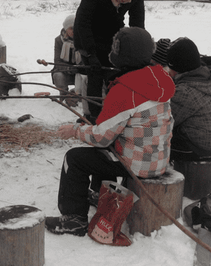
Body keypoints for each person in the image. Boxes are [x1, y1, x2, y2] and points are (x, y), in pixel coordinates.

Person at [46, 27, 175, 236]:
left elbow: (100, 137)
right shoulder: (160, 79)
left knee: (76, 158)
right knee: (107, 151)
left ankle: (74, 218)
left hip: (137, 165)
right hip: (159, 159)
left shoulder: (125, 90)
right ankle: (101, 194)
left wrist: (75, 130)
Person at [73, 0, 146, 122]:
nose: (126, 2)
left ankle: (116, 115)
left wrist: (138, 50)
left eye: (130, 0)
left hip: (112, 33)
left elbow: (137, 23)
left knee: (116, 74)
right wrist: (91, 53)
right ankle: (93, 117)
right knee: (95, 74)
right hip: (88, 34)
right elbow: (83, 21)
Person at [166, 37, 211, 161]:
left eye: (170, 67)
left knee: (153, 141)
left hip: (196, 147)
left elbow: (166, 120)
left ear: (178, 67)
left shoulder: (185, 92)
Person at [52, 14, 87, 109]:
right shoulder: (59, 40)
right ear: (66, 29)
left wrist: (79, 68)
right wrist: (69, 68)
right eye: (71, 28)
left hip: (81, 72)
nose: (74, 31)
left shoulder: (85, 39)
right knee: (57, 75)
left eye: (76, 28)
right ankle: (64, 96)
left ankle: (80, 96)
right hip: (65, 72)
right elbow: (57, 62)